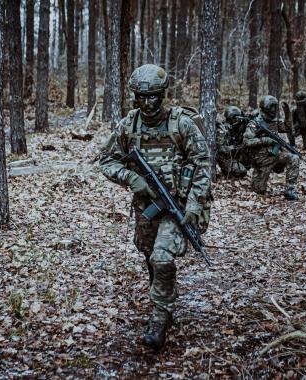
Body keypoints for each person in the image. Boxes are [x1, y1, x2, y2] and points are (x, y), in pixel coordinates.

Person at [99, 64, 212, 350]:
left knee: (162, 257)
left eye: (153, 97)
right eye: (140, 97)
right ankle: (165, 299)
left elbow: (203, 164)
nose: (147, 104)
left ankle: (159, 319)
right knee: (150, 255)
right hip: (146, 207)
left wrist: (195, 204)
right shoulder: (129, 125)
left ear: (163, 95)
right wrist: (131, 177)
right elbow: (107, 161)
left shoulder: (180, 124)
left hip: (180, 205)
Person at [243, 95, 300, 200]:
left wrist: (288, 115)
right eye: (271, 107)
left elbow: (287, 128)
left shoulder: (274, 122)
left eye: (275, 107)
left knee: (294, 158)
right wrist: (266, 140)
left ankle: (290, 190)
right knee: (259, 190)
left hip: (275, 156)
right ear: (265, 108)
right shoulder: (255, 123)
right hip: (261, 160)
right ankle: (259, 179)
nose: (273, 110)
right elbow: (247, 142)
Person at [216, 106, 248, 178]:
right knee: (241, 172)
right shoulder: (223, 129)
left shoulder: (237, 128)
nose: (238, 121)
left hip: (233, 155)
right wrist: (235, 147)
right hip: (224, 157)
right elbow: (221, 149)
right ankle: (227, 172)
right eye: (236, 119)